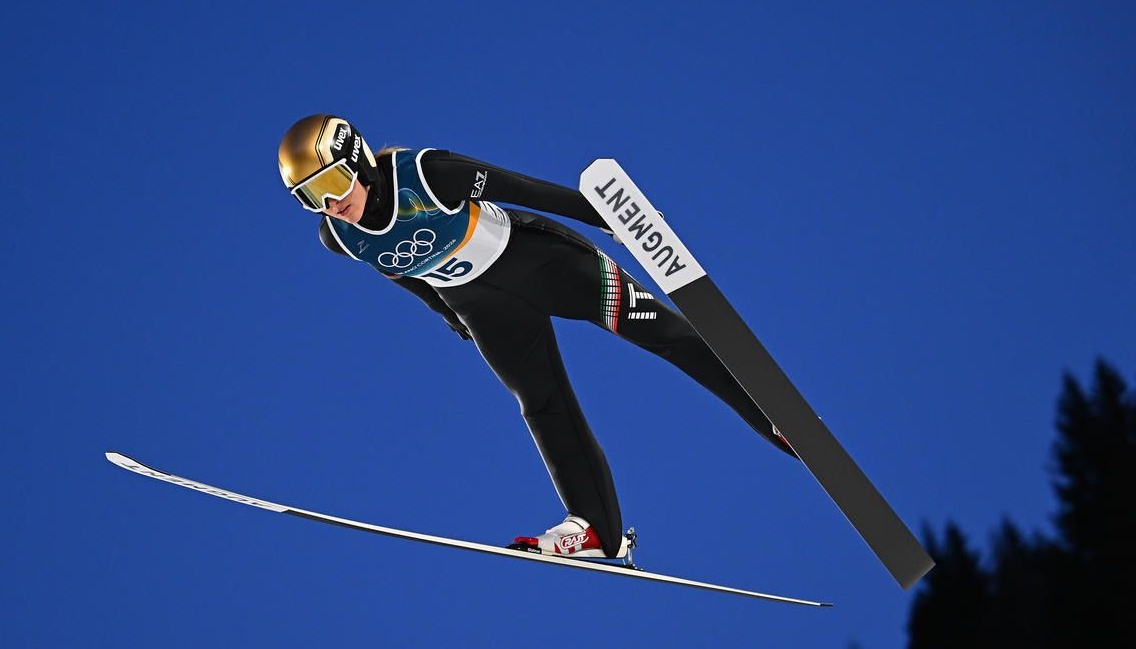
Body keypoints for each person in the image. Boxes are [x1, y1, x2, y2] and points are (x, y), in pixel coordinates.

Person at [277, 115, 796, 560]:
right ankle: (596, 531)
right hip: (486, 309)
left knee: (659, 332)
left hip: (546, 264)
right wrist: (445, 313)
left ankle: (772, 416)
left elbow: (526, 189)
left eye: (333, 184)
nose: (330, 204)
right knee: (541, 403)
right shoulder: (338, 237)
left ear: (359, 161)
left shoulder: (427, 175)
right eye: (310, 198)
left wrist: (611, 219)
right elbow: (400, 270)